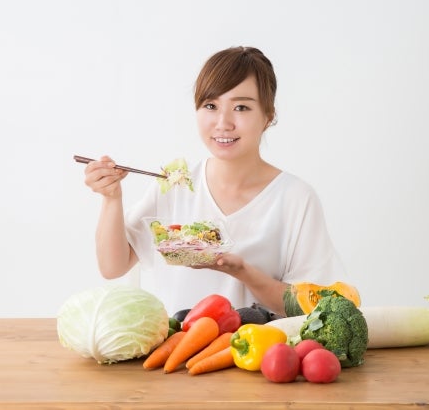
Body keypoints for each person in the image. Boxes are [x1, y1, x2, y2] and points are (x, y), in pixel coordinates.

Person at [82, 46, 347, 316]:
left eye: (241, 107)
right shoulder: (175, 185)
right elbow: (112, 267)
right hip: (178, 341)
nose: (223, 123)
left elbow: (315, 308)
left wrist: (242, 271)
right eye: (211, 106)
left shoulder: (295, 198)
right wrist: (111, 198)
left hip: (260, 343)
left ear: (268, 117)